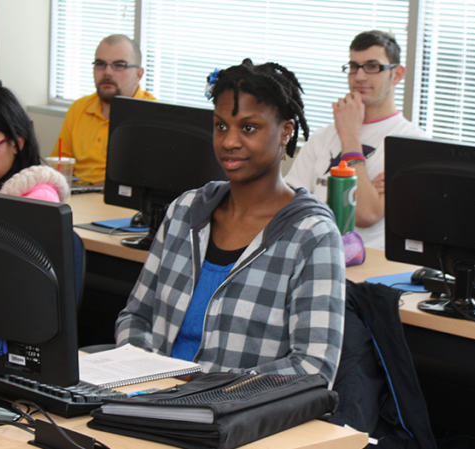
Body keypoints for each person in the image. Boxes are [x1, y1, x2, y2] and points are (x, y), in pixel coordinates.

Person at [115, 59, 346, 382]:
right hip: (148, 392)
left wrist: (205, 387)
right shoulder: (186, 210)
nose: (229, 142)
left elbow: (313, 367)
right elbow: (136, 316)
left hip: (233, 414)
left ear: (286, 132)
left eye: (248, 128)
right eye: (221, 125)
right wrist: (146, 373)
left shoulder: (312, 235)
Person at [284, 30, 427, 250]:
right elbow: (288, 210)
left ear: (397, 74)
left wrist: (350, 136)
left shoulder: (411, 143)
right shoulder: (322, 138)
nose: (359, 76)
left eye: (372, 66)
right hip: (313, 256)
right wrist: (368, 188)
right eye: (353, 67)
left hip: (372, 270)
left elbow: (365, 214)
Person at [50, 34, 157, 186]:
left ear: (139, 74)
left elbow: (152, 179)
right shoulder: (79, 108)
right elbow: (60, 167)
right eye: (100, 64)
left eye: (119, 65)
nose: (107, 72)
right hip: (79, 197)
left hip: (125, 203)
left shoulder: (152, 114)